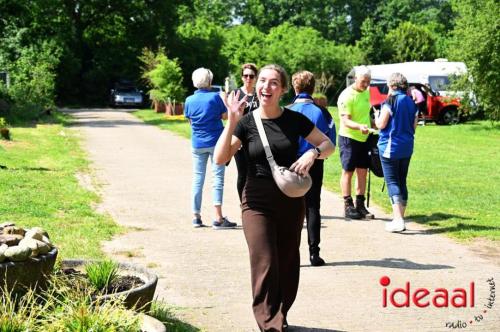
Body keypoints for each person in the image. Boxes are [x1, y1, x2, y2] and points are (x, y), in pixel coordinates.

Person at [214, 64, 334, 331]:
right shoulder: (246, 123)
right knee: (265, 259)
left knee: (288, 260)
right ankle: (270, 324)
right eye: (262, 81)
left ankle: (280, 313)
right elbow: (220, 158)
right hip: (256, 199)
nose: (265, 87)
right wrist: (232, 120)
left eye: (273, 83)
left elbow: (328, 145)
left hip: (290, 200)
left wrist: (312, 153)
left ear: (282, 90)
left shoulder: (294, 120)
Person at [288, 70, 336, 267]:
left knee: (291, 209)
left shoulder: (287, 110)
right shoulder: (322, 112)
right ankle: (314, 253)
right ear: (313, 88)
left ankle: (291, 253)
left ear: (294, 87)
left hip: (291, 164)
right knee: (313, 206)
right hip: (315, 162)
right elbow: (330, 142)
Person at [184, 67, 236, 229]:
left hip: (197, 143)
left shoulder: (189, 100)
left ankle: (196, 216)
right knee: (217, 179)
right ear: (210, 81)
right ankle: (218, 218)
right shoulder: (215, 97)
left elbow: (190, 121)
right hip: (216, 142)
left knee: (198, 179)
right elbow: (225, 116)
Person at [374, 73, 418, 232]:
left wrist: (376, 115)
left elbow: (381, 124)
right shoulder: (411, 102)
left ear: (392, 85)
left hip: (390, 147)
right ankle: (399, 217)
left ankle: (398, 220)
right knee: (402, 180)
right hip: (407, 146)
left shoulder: (390, 101)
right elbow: (414, 126)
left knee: (392, 181)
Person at [337, 66, 375, 220]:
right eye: (363, 81)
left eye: (368, 82)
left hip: (364, 138)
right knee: (348, 171)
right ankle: (348, 205)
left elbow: (366, 114)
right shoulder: (346, 96)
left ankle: (360, 204)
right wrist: (359, 126)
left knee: (363, 171)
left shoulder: (366, 92)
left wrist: (374, 123)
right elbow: (345, 121)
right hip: (349, 138)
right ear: (355, 79)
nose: (366, 85)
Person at [234, 63, 260, 201]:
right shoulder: (236, 94)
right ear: (242, 77)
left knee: (257, 172)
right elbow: (231, 119)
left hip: (256, 138)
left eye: (251, 76)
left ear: (255, 77)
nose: (248, 78)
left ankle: (256, 201)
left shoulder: (259, 94)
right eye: (245, 76)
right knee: (243, 173)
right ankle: (243, 203)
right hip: (240, 140)